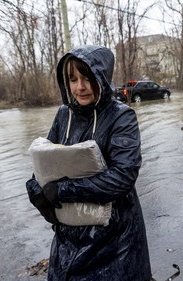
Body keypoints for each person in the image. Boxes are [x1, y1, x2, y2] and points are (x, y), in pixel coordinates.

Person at [26, 45, 152, 281]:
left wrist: (62, 190)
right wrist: (36, 190)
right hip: (69, 235)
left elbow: (122, 177)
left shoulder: (121, 117)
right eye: (73, 79)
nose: (79, 87)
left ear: (102, 78)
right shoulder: (64, 115)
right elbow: (46, 159)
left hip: (115, 241)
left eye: (87, 78)